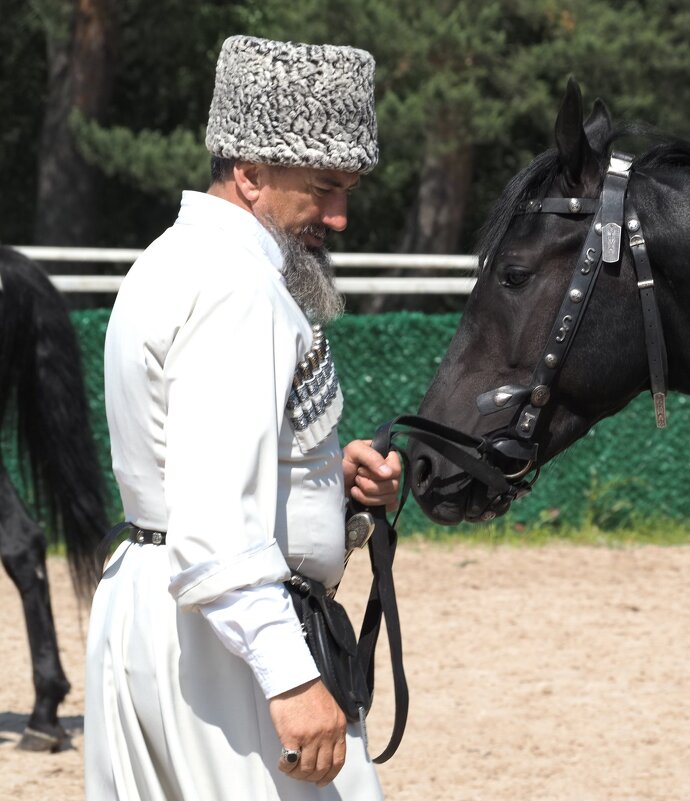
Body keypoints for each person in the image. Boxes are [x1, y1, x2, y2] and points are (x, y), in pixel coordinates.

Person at [85, 35, 401, 801]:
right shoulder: (237, 289)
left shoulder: (174, 257)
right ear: (249, 171)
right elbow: (217, 521)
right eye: (323, 187)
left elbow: (201, 460)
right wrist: (292, 678)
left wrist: (325, 476)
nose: (339, 216)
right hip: (226, 643)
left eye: (348, 189)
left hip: (168, 612)